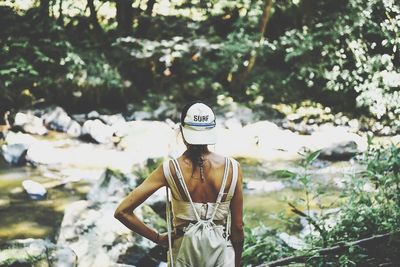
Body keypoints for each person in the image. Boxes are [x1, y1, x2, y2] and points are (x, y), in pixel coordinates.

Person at [114, 101, 244, 267]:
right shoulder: (233, 168)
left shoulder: (170, 169)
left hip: (183, 255)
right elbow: (238, 227)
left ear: (182, 130)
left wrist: (158, 238)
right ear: (211, 131)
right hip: (221, 256)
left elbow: (122, 212)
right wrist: (237, 263)